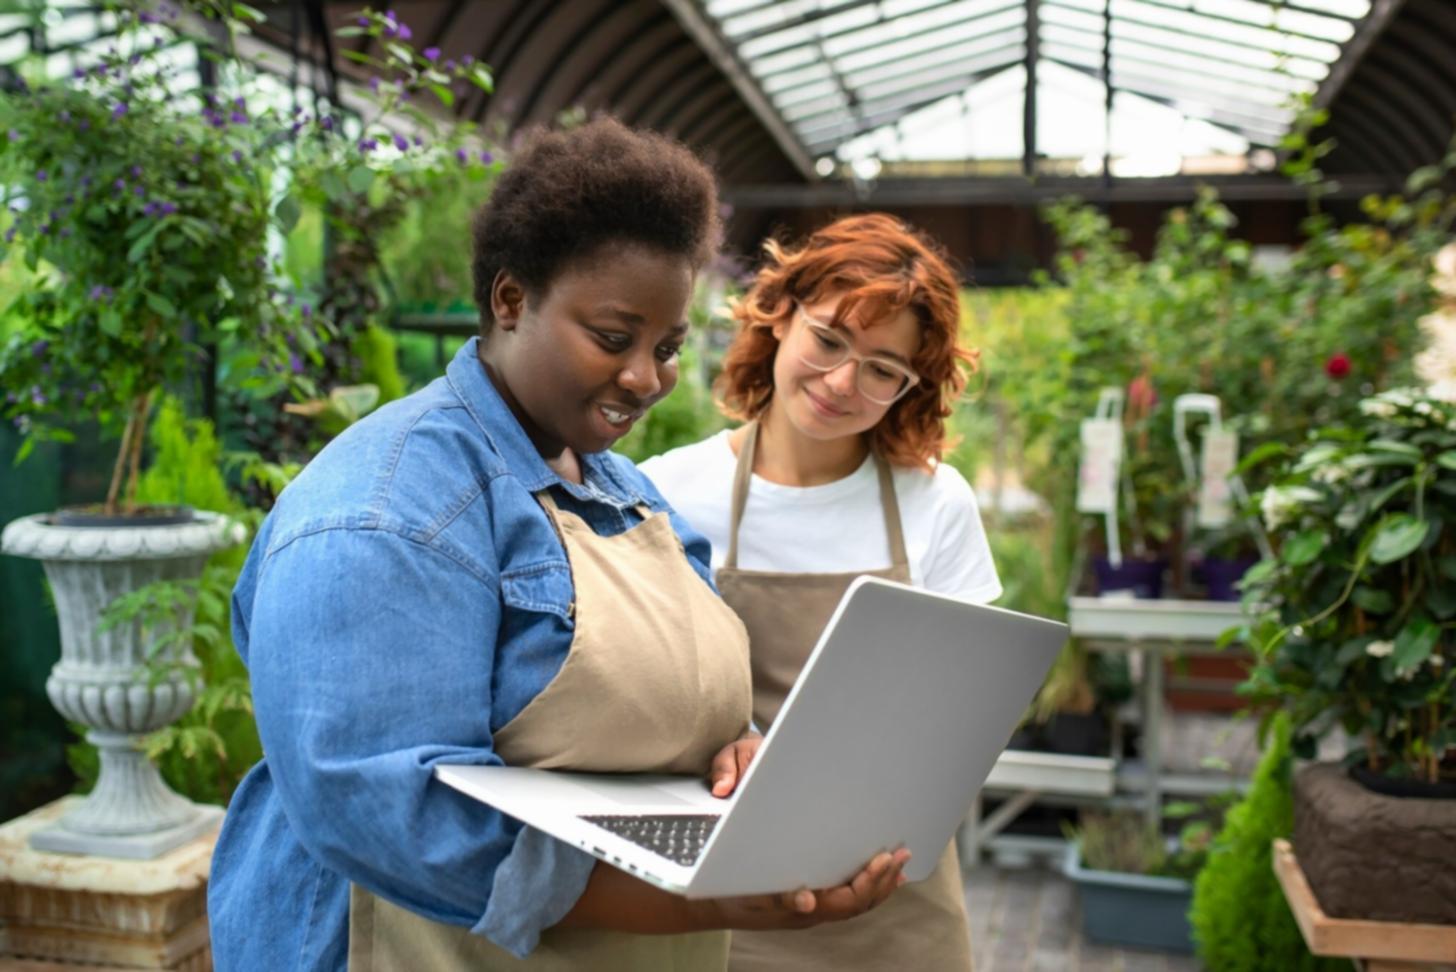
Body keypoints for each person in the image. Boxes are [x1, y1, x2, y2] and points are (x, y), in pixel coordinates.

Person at [208, 121, 910, 972]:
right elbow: (384, 810)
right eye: (614, 338)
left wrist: (737, 751)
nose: (646, 378)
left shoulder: (620, 487)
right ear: (511, 300)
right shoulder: (385, 510)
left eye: (668, 348)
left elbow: (684, 689)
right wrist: (709, 894)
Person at [640, 212, 1002, 971]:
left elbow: (963, 718)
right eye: (829, 340)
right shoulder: (668, 493)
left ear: (912, 386)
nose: (842, 383)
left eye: (882, 369)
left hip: (893, 897)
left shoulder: (936, 503)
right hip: (720, 896)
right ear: (779, 316)